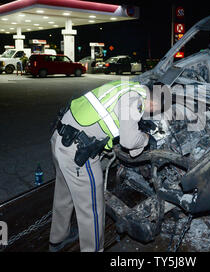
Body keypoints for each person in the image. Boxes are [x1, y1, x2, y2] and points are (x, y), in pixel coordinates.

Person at [48, 80, 162, 252]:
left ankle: (57, 239)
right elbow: (130, 143)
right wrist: (146, 138)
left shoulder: (126, 86)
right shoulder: (135, 100)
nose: (152, 113)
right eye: (155, 109)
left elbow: (108, 117)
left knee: (64, 193)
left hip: (60, 138)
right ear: (153, 101)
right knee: (92, 209)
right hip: (78, 154)